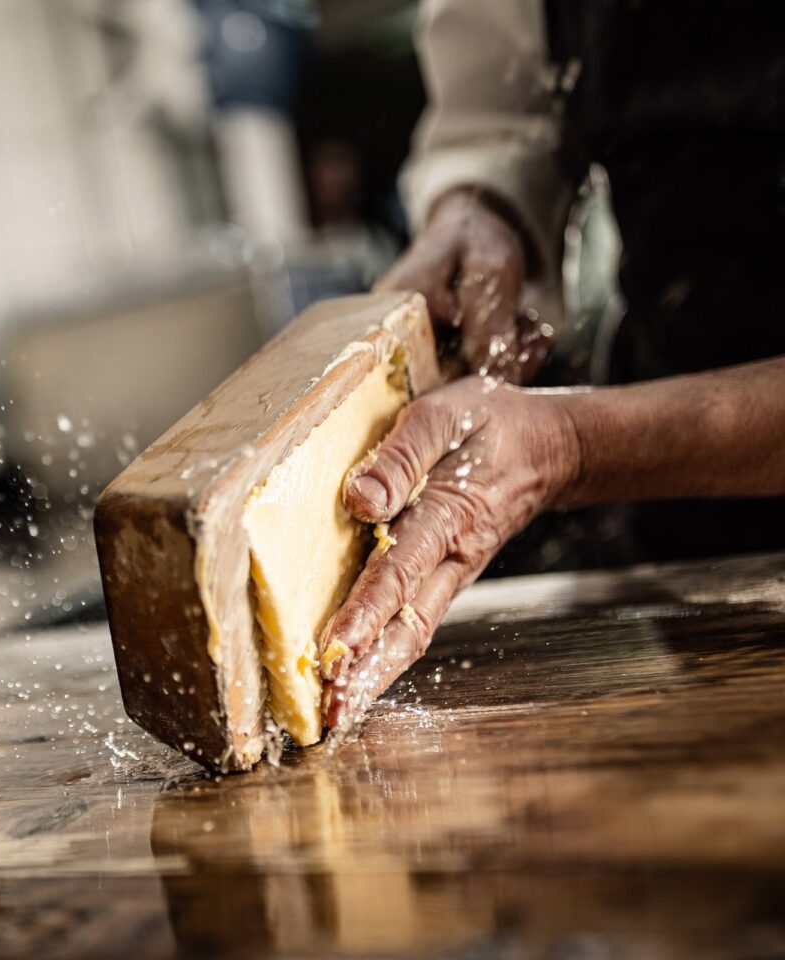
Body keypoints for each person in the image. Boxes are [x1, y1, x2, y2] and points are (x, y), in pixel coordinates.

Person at [318, 0, 785, 727]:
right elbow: (509, 100)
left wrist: (573, 445)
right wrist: (482, 204)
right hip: (661, 529)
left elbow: (568, 444)